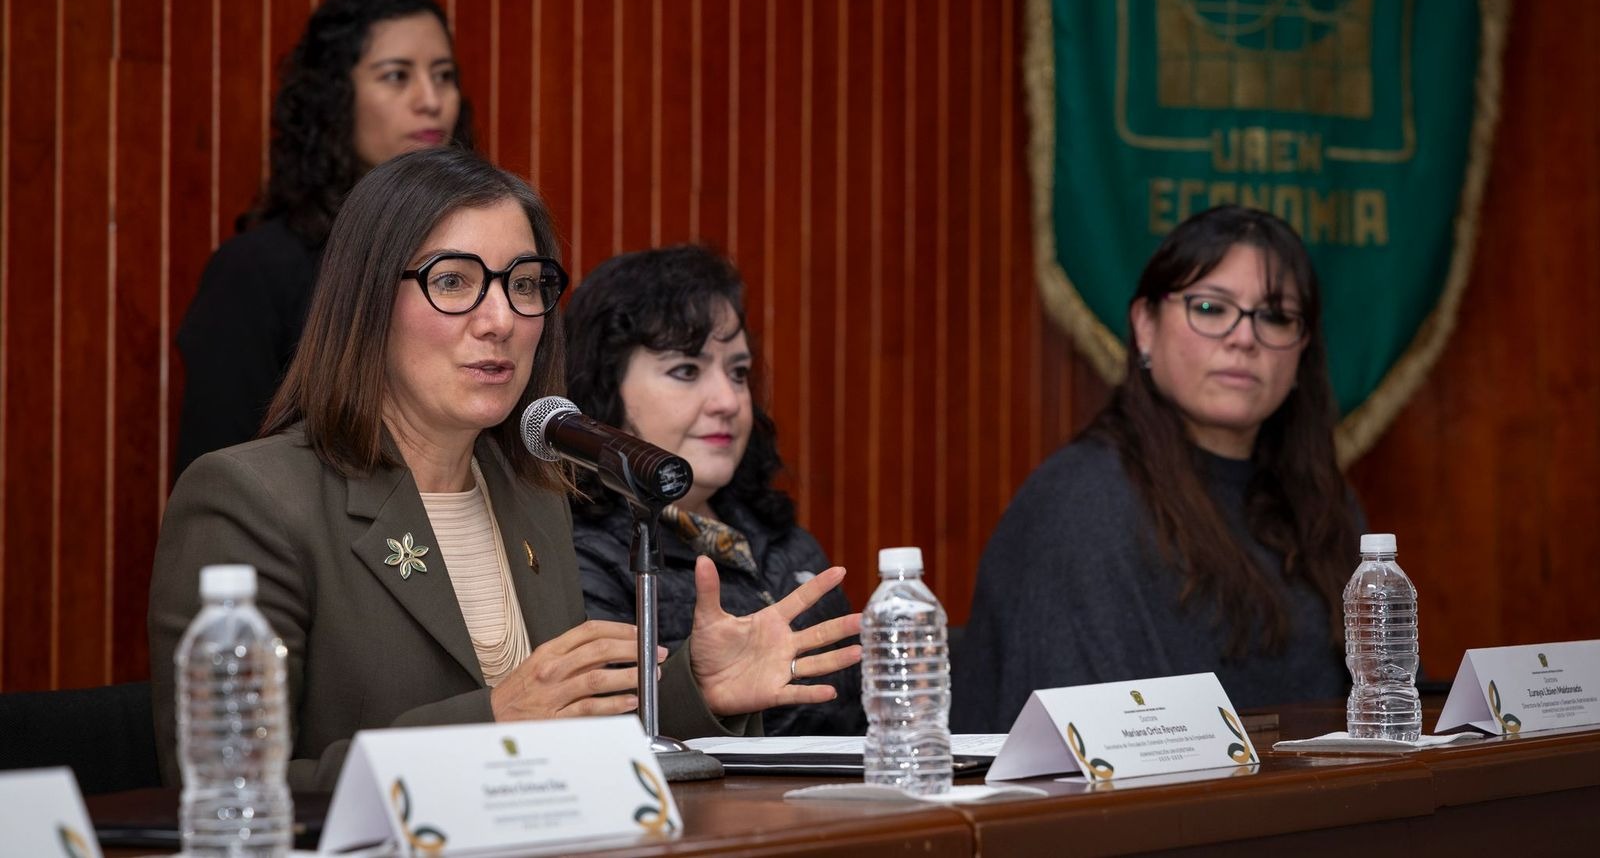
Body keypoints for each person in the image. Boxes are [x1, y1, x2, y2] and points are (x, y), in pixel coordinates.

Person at [148, 149, 862, 790]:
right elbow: (225, 784)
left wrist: (692, 686)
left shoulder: (532, 495)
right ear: (367, 302)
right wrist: (491, 719)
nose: (501, 319)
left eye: (524, 285)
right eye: (454, 282)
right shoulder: (250, 498)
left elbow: (566, 731)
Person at [952, 205, 1363, 732]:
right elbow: (1094, 756)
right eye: (1212, 308)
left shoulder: (1325, 502)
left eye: (1275, 316)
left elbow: (1392, 704)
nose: (1244, 338)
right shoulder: (1083, 503)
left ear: (1303, 350)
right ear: (1145, 326)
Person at [174, 0, 475, 475]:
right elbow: (215, 474)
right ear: (336, 98)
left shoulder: (482, 257)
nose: (431, 98)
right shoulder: (256, 270)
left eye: (444, 75)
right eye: (397, 75)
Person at [565, 245, 865, 736]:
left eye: (739, 373)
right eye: (687, 370)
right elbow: (609, 743)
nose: (728, 400)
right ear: (605, 389)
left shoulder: (785, 543)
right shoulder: (585, 557)